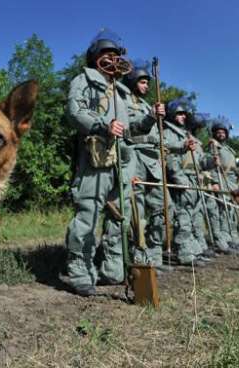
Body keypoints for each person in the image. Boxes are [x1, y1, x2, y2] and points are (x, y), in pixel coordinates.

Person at [63, 29, 139, 297]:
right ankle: (80, 270)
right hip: (96, 157)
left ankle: (113, 268)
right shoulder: (84, 80)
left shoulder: (123, 91)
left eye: (116, 55)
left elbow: (135, 125)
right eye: (107, 54)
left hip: (123, 160)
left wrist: (153, 118)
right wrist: (102, 125)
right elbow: (75, 111)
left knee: (120, 217)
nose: (113, 59)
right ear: (96, 57)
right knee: (88, 214)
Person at [121, 59, 169, 272]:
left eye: (148, 82)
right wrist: (150, 118)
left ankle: (155, 255)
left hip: (153, 162)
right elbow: (131, 130)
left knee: (164, 207)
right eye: (142, 81)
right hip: (136, 159)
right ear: (132, 82)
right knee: (137, 213)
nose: (146, 86)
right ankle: (139, 259)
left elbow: (158, 136)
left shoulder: (148, 106)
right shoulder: (124, 102)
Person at [163, 105, 217, 266]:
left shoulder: (189, 136)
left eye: (184, 114)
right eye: (179, 114)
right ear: (173, 115)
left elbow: (200, 161)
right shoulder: (168, 133)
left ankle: (195, 250)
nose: (183, 117)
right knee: (183, 217)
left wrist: (210, 162)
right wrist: (180, 180)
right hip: (183, 180)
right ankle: (185, 252)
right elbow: (170, 158)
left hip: (195, 180)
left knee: (195, 217)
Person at [206, 117, 239, 251]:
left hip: (232, 183)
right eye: (218, 132)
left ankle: (233, 236)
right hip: (221, 181)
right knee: (222, 212)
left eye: (223, 131)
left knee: (232, 212)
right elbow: (211, 164)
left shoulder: (229, 149)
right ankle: (225, 239)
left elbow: (236, 170)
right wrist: (214, 182)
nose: (221, 134)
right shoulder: (213, 145)